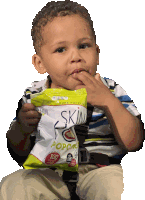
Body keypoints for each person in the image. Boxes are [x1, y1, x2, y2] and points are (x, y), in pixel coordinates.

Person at [1, 1, 144, 199]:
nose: (76, 56)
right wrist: (23, 128)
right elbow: (16, 149)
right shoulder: (34, 94)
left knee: (117, 185)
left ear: (97, 53)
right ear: (40, 63)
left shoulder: (109, 88)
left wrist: (109, 101)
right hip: (48, 174)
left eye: (83, 46)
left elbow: (134, 142)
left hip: (99, 170)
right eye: (61, 50)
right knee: (16, 184)